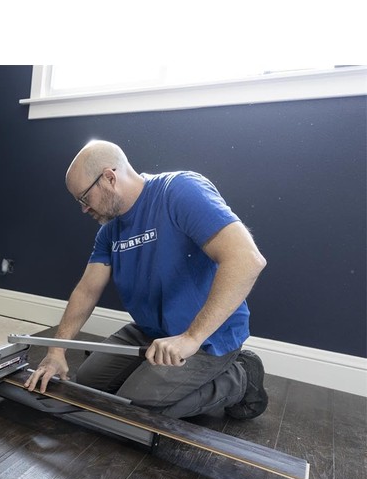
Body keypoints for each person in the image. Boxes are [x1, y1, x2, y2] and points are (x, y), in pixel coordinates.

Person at [25, 140, 269, 420]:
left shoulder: (179, 191)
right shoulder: (109, 232)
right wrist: (57, 350)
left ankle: (241, 378)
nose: (83, 209)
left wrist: (191, 338)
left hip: (207, 338)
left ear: (109, 177)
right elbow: (87, 290)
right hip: (152, 331)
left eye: (84, 198)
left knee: (136, 409)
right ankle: (151, 377)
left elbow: (248, 259)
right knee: (89, 383)